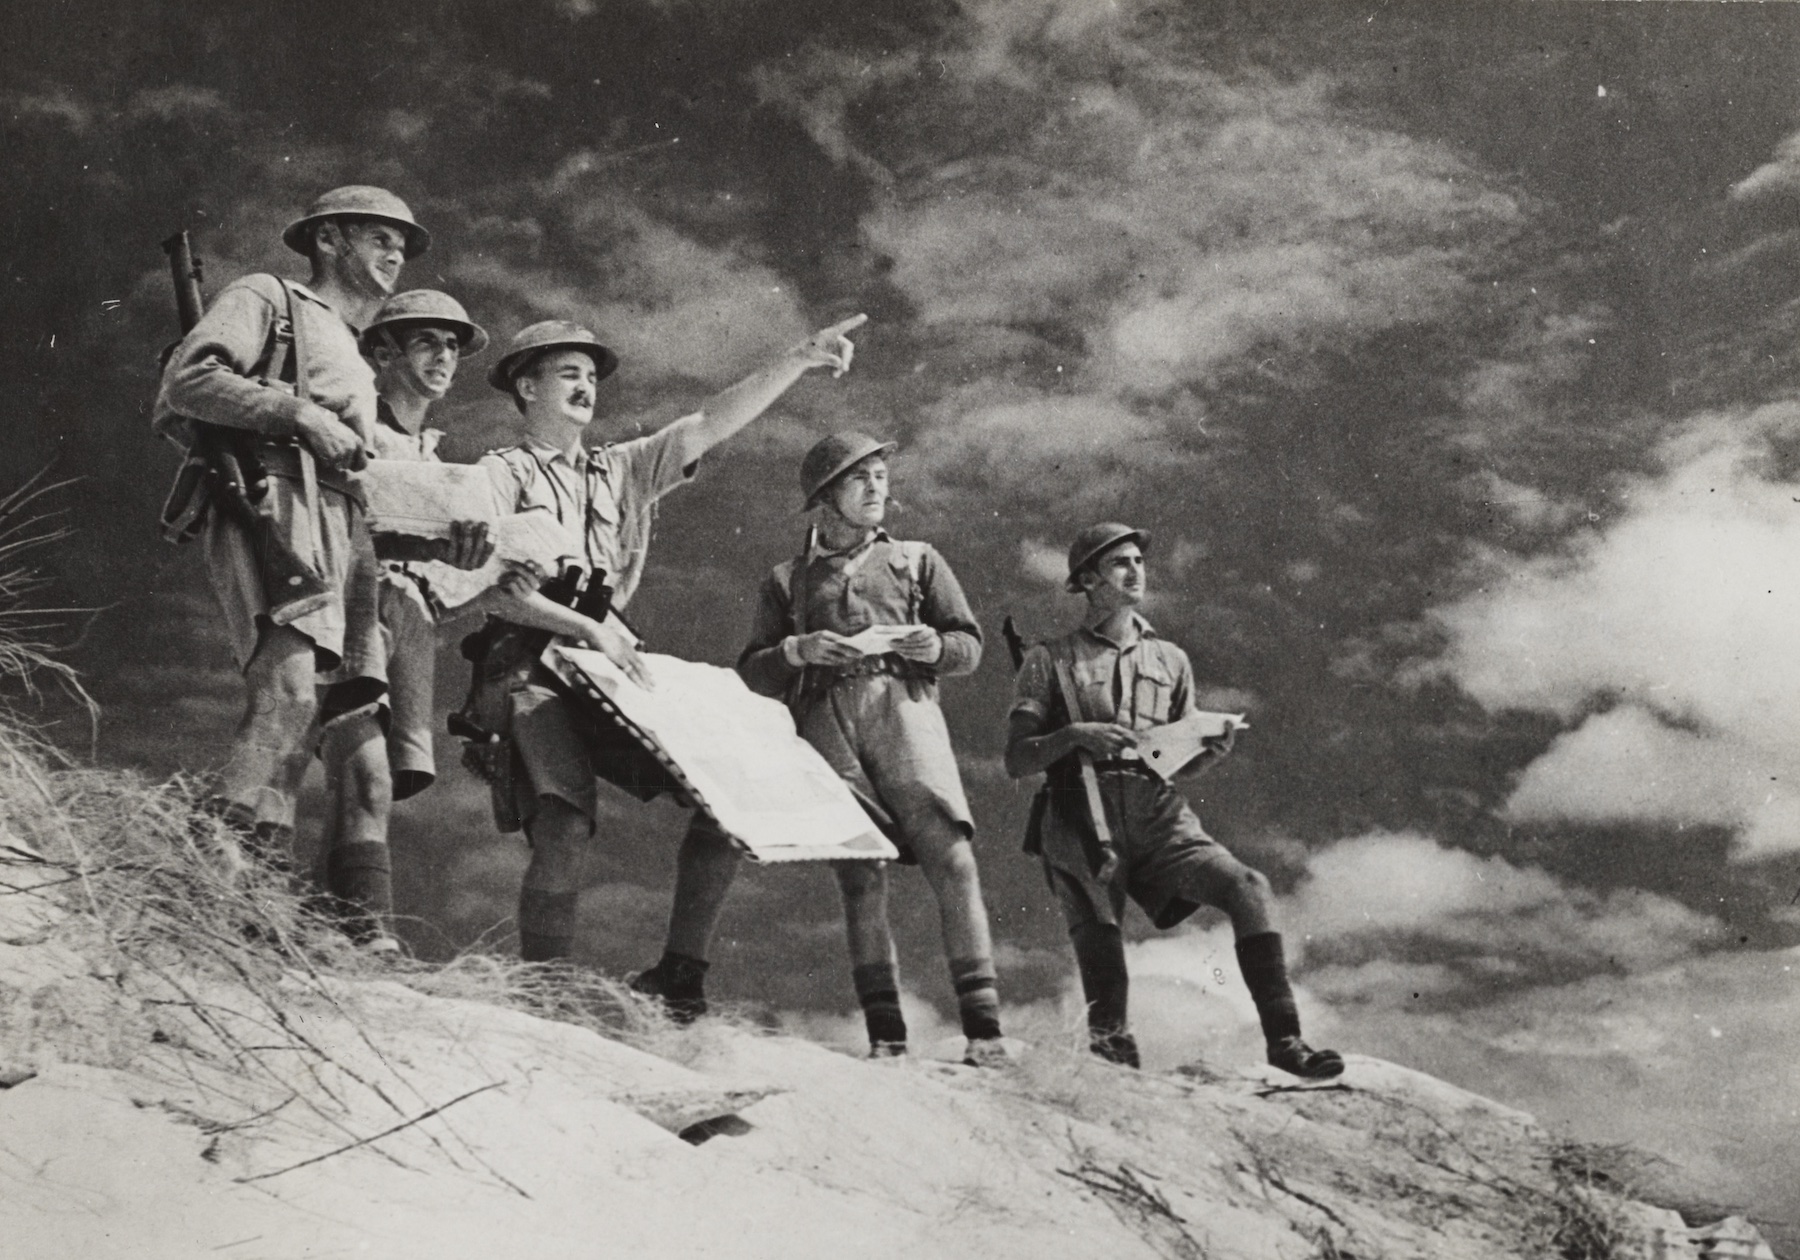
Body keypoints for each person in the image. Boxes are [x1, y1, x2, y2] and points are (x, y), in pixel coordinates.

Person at [464, 314, 868, 965]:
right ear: (525, 387)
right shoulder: (500, 475)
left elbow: (709, 423)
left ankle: (681, 975)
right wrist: (589, 627)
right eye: (568, 373)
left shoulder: (620, 471)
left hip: (613, 669)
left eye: (591, 376)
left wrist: (796, 359)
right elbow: (492, 591)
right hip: (531, 666)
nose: (586, 386)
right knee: (563, 823)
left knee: (731, 793)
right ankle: (545, 990)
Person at [639, 433, 1009, 1065]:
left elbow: (968, 645)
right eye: (858, 477)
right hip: (824, 720)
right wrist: (796, 651)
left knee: (953, 857)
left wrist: (934, 648)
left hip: (905, 713)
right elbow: (753, 672)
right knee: (860, 874)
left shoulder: (918, 560)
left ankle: (986, 1033)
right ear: (825, 496)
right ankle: (888, 1041)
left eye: (881, 475)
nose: (876, 488)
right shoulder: (786, 580)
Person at [1003, 523, 1343, 1079]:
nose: (1136, 572)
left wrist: (1208, 755)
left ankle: (1286, 1041)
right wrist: (1074, 736)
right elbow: (1017, 758)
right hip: (1079, 810)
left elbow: (1173, 755)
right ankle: (1114, 1061)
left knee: (1247, 886)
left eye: (1139, 561)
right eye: (1120, 564)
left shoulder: (1171, 660)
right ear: (1087, 581)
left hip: (1156, 808)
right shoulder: (1049, 660)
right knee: (1100, 937)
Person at [154, 185, 426, 869]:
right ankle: (196, 883)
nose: (396, 253)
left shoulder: (354, 352)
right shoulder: (269, 297)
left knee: (302, 715)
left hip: (344, 526)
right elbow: (186, 384)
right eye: (379, 237)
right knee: (286, 694)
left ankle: (253, 899)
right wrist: (300, 416)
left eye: (401, 243)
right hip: (278, 501)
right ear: (327, 239)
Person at [313, 290, 496, 950]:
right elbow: (338, 522)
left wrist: (484, 567)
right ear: (384, 352)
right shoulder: (359, 426)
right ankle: (369, 934)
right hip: (355, 600)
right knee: (364, 768)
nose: (444, 356)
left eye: (452, 345)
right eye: (428, 342)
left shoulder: (437, 455)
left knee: (365, 786)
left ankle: (324, 925)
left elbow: (445, 579)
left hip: (414, 616)